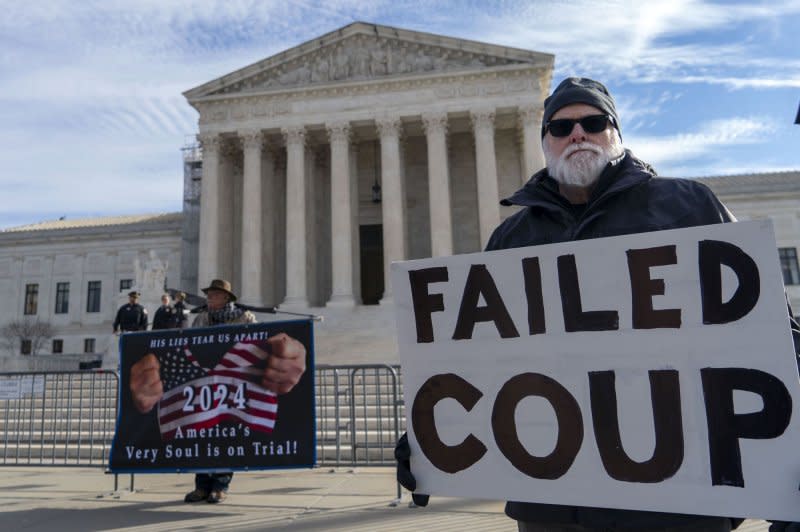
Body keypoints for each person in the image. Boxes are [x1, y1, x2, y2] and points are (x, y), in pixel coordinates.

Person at [396, 77, 800, 532]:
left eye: (593, 121)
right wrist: (430, 437)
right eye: (561, 126)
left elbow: (772, 338)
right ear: (545, 140)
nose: (577, 134)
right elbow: (481, 363)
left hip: (677, 502)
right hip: (553, 505)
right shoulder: (512, 238)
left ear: (616, 133)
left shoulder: (687, 207)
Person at [128, 278, 307, 504]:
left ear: (225, 298)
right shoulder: (202, 318)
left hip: (232, 391)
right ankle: (201, 486)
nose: (209, 298)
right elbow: (190, 344)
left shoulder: (244, 318)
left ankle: (220, 486)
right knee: (202, 436)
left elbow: (257, 344)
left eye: (213, 294)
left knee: (224, 436)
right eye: (209, 294)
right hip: (204, 387)